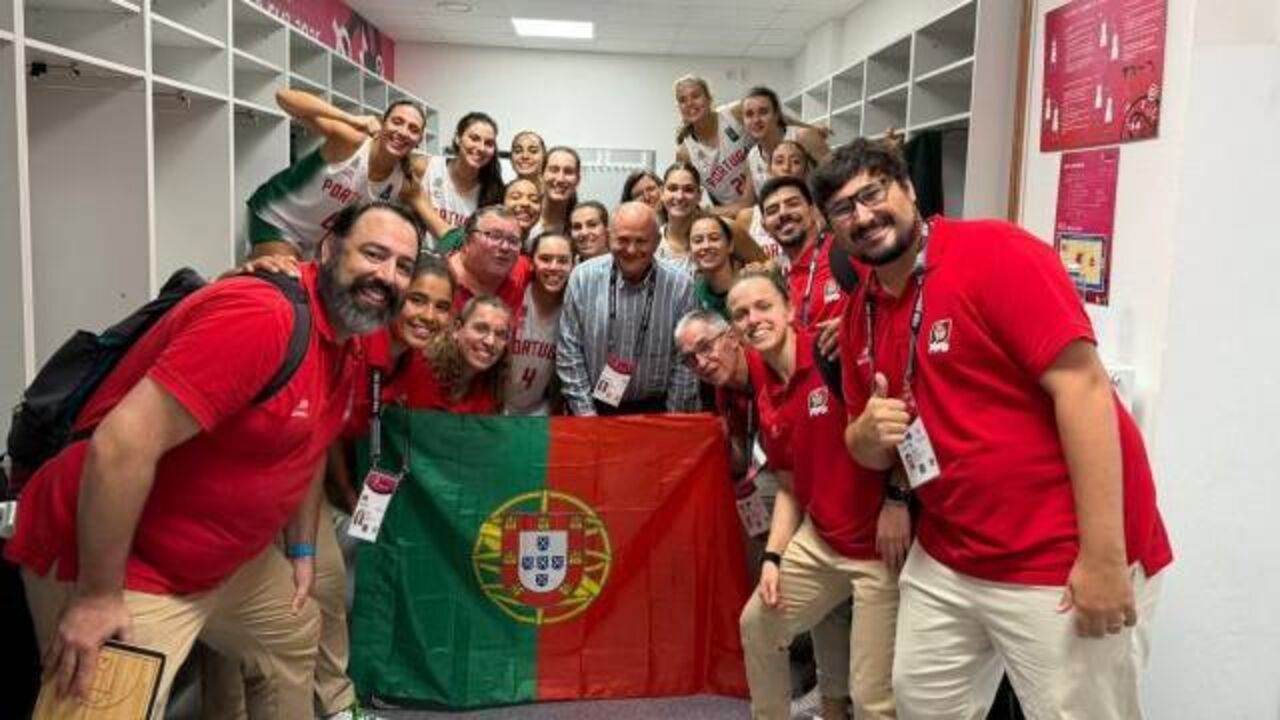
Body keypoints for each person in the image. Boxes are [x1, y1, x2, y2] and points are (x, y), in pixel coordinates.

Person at [5, 201, 422, 718]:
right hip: (121, 562)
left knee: (293, 632)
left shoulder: (348, 341)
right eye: (374, 254)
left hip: (220, 567)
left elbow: (307, 449)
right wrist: (96, 595)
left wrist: (301, 553)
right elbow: (121, 446)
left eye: (404, 266)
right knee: (99, 700)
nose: (387, 276)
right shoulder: (261, 316)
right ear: (331, 247)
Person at [813, 138, 1172, 719]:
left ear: (908, 189)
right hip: (951, 555)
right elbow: (869, 449)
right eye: (843, 210)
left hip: (1058, 556)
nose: (863, 216)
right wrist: (865, 434)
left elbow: (1084, 389)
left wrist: (1105, 558)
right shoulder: (864, 313)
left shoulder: (994, 253)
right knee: (922, 703)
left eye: (872, 194)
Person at [204, 252, 455, 720]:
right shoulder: (357, 338)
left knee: (326, 585)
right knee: (239, 614)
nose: (428, 315)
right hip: (245, 478)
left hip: (306, 478)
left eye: (441, 306)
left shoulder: (411, 363)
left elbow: (341, 431)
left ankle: (337, 705)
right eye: (417, 299)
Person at [729, 269, 900, 720]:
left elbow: (899, 426)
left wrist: (898, 502)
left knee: (871, 700)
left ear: (789, 309)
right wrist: (773, 557)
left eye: (764, 306)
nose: (753, 319)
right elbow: (787, 484)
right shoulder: (764, 383)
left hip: (879, 553)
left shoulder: (834, 353)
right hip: (821, 540)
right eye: (741, 314)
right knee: (758, 627)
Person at [556, 202, 699, 416]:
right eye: (622, 240)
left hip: (657, 412)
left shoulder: (681, 286)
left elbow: (685, 360)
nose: (631, 250)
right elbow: (569, 351)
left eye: (641, 241)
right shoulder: (582, 278)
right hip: (593, 410)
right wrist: (587, 417)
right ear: (608, 236)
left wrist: (671, 423)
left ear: (657, 241)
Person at [247, 91, 426, 260]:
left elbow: (439, 225)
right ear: (382, 123)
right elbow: (284, 97)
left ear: (419, 141)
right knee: (286, 280)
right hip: (276, 219)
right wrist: (350, 118)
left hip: (315, 241)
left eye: (413, 129)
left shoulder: (404, 183)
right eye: (397, 121)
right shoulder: (352, 139)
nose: (403, 132)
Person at [401, 295, 513, 413]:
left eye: (500, 334)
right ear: (457, 329)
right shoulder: (419, 368)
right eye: (480, 328)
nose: (490, 341)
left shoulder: (494, 386)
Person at [504, 233, 572, 416]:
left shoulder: (572, 313)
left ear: (573, 264)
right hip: (494, 409)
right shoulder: (514, 297)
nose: (554, 267)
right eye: (545, 259)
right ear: (532, 262)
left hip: (538, 413)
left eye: (563, 260)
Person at [418, 111, 504, 239]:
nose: (481, 148)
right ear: (458, 138)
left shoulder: (493, 192)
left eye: (489, 143)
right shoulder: (426, 167)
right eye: (474, 138)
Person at [735, 139, 815, 272]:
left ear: (805, 170)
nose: (786, 167)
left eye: (795, 162)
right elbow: (737, 268)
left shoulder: (818, 213)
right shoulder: (747, 217)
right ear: (769, 169)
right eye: (779, 161)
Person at [446, 205, 534, 313]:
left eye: (513, 241)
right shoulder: (439, 278)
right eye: (495, 236)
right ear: (467, 241)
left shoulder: (520, 269)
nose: (505, 247)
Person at [741, 86, 828, 194]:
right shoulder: (752, 156)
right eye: (749, 114)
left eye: (763, 112)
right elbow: (745, 203)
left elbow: (836, 177)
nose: (756, 120)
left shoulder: (803, 136)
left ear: (777, 115)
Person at [656, 161, 703, 275]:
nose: (680, 196)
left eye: (688, 190)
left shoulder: (718, 234)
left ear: (699, 195)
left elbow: (754, 263)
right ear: (662, 193)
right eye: (672, 188)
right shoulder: (653, 243)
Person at [690, 214, 742, 319]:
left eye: (714, 238)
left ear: (730, 245)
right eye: (698, 241)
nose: (706, 246)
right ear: (689, 251)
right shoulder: (691, 294)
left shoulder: (752, 284)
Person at [538, 146, 581, 235]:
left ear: (578, 180)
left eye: (568, 172)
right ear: (541, 175)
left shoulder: (581, 228)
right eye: (554, 170)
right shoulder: (524, 219)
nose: (560, 179)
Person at [502, 177, 543, 248]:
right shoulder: (488, 244)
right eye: (516, 197)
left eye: (534, 200)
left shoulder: (539, 247)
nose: (525, 203)